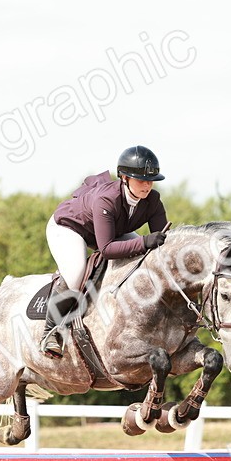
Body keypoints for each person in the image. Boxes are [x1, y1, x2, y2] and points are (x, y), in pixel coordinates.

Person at [40, 145, 170, 358]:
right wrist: (146, 241)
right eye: (141, 180)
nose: (147, 185)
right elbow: (107, 249)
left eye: (150, 180)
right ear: (124, 178)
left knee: (143, 258)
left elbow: (160, 244)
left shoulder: (153, 201)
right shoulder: (107, 199)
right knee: (76, 271)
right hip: (70, 227)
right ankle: (51, 332)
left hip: (109, 232)